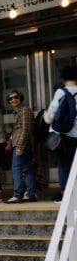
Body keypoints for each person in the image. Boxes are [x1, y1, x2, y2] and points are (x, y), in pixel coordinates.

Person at [44, 66, 77, 201]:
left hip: (62, 136)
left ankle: (65, 193)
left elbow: (51, 115)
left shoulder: (61, 92)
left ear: (63, 78)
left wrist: (46, 117)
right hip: (75, 135)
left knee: (63, 166)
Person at [6, 90, 36, 203]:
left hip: (22, 144)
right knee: (27, 169)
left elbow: (25, 129)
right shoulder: (17, 112)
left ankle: (18, 195)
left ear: (20, 98)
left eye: (15, 97)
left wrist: (20, 146)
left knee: (16, 168)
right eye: (10, 99)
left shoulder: (24, 110)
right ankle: (29, 194)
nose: (13, 100)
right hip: (20, 143)